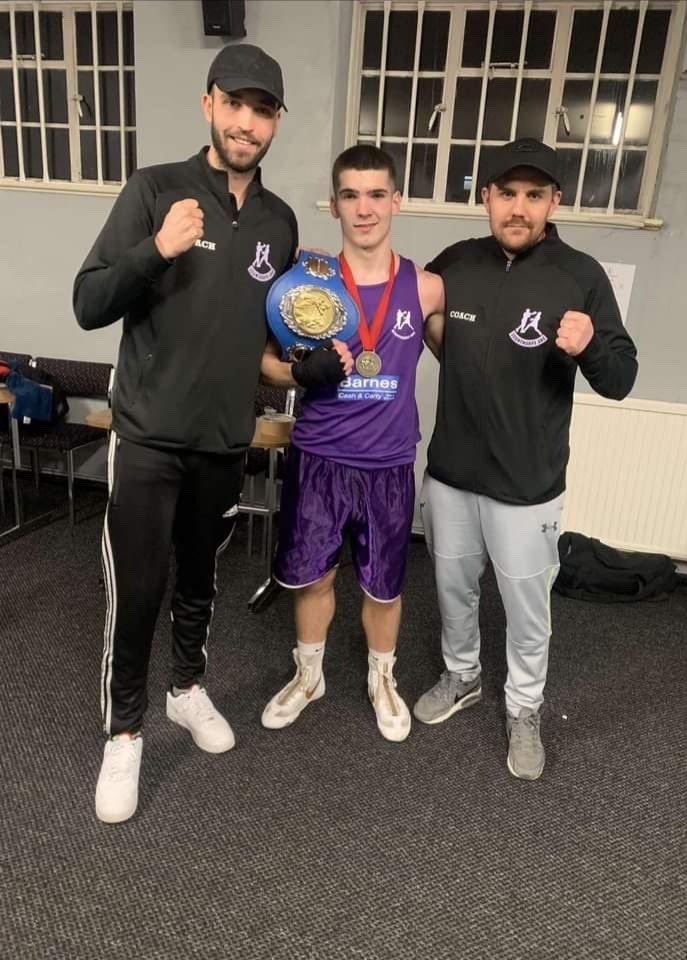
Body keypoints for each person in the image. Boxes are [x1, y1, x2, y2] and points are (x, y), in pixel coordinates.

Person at [73, 44, 350, 824]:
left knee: (200, 583)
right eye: (235, 104)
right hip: (151, 438)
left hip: (226, 440)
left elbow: (266, 349)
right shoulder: (155, 189)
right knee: (139, 591)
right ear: (208, 104)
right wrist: (154, 250)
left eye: (263, 111)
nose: (247, 123)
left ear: (275, 123)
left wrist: (309, 371)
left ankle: (186, 690)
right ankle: (124, 732)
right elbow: (88, 300)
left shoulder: (279, 222)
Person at [413, 138, 638, 780]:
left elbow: (620, 376)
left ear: (554, 202)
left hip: (528, 485)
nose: (518, 209)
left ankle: (523, 706)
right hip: (452, 472)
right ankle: (462, 678)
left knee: (526, 608)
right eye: (506, 194)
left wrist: (592, 345)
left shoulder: (580, 275)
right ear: (485, 197)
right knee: (453, 589)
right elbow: (416, 324)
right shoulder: (454, 263)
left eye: (533, 196)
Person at [259, 144, 444, 743]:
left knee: (383, 583)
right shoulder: (304, 283)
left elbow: (471, 362)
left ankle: (381, 679)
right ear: (334, 203)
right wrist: (300, 374)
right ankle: (309, 676)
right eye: (349, 195)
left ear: (397, 200)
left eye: (375, 194)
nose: (364, 209)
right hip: (319, 455)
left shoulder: (429, 287)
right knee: (314, 578)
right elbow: (266, 365)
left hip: (389, 463)